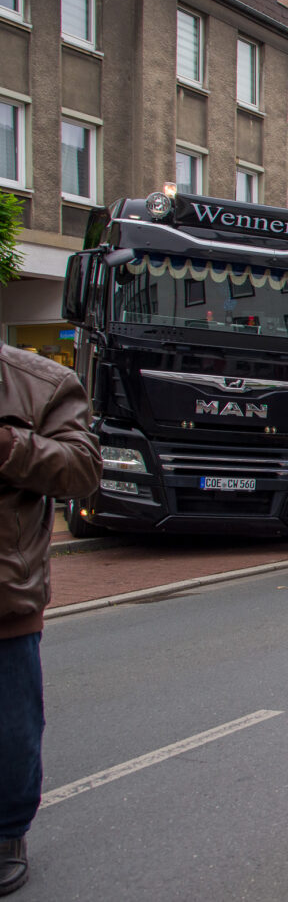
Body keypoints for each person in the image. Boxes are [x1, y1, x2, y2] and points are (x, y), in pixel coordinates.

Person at [0, 343, 102, 896]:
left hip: (4, 599)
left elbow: (82, 466)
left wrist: (7, 445)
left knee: (11, 731)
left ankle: (6, 831)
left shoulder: (38, 382)